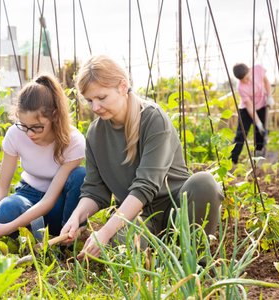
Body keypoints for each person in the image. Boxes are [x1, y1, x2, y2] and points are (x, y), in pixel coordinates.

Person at [60, 55, 223, 259]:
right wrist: (77, 217)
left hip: (178, 213)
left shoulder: (153, 119)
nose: (95, 107)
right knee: (120, 245)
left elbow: (145, 186)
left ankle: (191, 259)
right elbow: (95, 191)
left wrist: (105, 231)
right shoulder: (95, 134)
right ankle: (160, 257)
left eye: (101, 98)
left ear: (122, 86)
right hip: (139, 218)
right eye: (89, 100)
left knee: (204, 183)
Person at [0, 74, 86, 241]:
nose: (29, 133)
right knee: (7, 208)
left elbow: (49, 200)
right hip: (28, 195)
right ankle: (35, 235)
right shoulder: (15, 134)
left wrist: (8, 227)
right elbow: (1, 187)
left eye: (37, 127)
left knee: (80, 175)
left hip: (57, 203)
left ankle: (65, 238)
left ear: (54, 116)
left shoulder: (74, 141)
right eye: (24, 126)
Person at [230, 63, 273, 164]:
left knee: (260, 134)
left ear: (250, 70)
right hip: (246, 109)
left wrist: (269, 96)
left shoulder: (258, 69)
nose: (246, 81)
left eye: (247, 77)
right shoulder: (240, 87)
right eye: (243, 80)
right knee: (241, 135)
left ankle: (259, 158)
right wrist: (258, 123)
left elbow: (266, 81)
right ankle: (232, 160)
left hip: (262, 105)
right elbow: (249, 106)